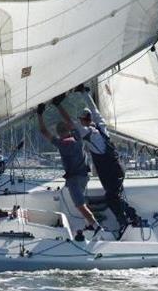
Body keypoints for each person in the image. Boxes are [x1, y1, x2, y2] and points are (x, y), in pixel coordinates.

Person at [53, 85, 139, 232]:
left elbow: (70, 122)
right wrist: (84, 93)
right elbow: (95, 110)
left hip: (110, 173)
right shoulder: (101, 126)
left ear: (83, 121)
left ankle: (125, 224)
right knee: (114, 197)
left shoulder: (86, 132)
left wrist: (58, 105)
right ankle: (132, 217)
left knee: (112, 199)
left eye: (81, 120)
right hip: (117, 169)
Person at [36, 100, 100, 233]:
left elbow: (43, 131)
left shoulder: (60, 143)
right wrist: (58, 104)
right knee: (81, 199)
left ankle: (96, 226)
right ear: (69, 131)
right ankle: (89, 224)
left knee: (80, 205)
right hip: (84, 176)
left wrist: (39, 114)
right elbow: (70, 121)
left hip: (74, 180)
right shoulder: (78, 138)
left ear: (59, 133)